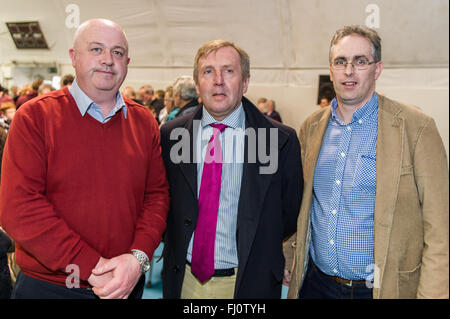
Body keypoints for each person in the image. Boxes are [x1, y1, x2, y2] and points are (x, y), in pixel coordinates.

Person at [0, 18, 170, 299]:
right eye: (96, 49)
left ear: (127, 61)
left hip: (124, 283)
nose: (107, 60)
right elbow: (20, 207)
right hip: (51, 287)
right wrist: (92, 266)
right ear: (73, 57)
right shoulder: (35, 117)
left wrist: (137, 259)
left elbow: (157, 196)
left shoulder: (144, 121)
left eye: (117, 52)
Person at [288, 25, 449, 299]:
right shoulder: (311, 128)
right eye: (341, 61)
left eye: (360, 61)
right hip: (317, 285)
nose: (349, 71)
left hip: (380, 289)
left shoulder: (416, 128)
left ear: (377, 69)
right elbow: (299, 206)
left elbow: (440, 228)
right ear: (331, 69)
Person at [160, 39, 303, 299]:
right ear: (197, 83)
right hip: (184, 281)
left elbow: (289, 211)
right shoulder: (172, 135)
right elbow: (164, 201)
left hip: (248, 281)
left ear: (245, 82)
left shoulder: (279, 141)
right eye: (208, 71)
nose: (218, 80)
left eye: (228, 70)